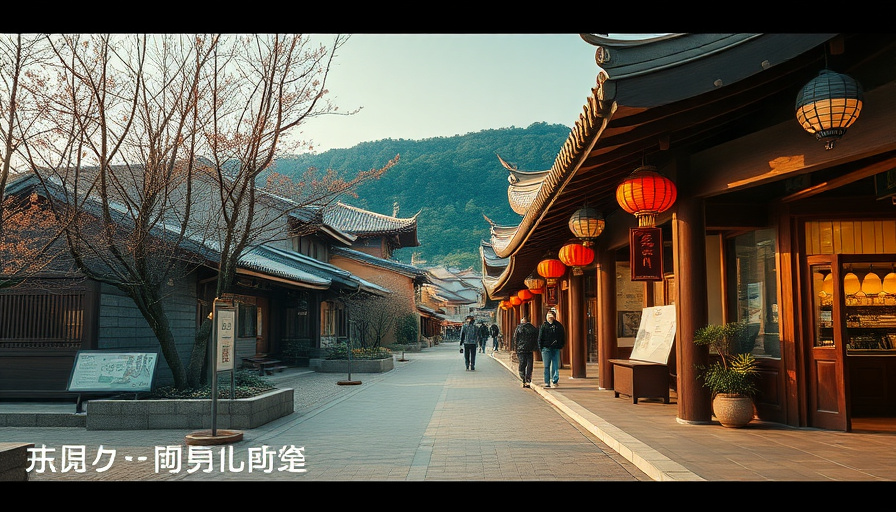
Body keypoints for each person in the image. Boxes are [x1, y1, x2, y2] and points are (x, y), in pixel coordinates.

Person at [537, 309, 565, 388]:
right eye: (548, 316)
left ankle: (554, 380)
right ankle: (547, 382)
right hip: (546, 348)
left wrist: (560, 345)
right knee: (546, 366)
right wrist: (541, 347)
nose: (549, 317)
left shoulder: (558, 326)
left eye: (551, 316)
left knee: (555, 365)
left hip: (555, 348)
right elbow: (540, 337)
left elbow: (562, 336)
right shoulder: (544, 326)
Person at [512, 316, 538, 388]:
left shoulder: (519, 328)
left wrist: (515, 349)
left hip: (521, 349)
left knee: (522, 363)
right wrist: (535, 347)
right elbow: (536, 339)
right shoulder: (532, 328)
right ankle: (528, 379)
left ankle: (523, 378)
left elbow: (515, 338)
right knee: (529, 364)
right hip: (530, 349)